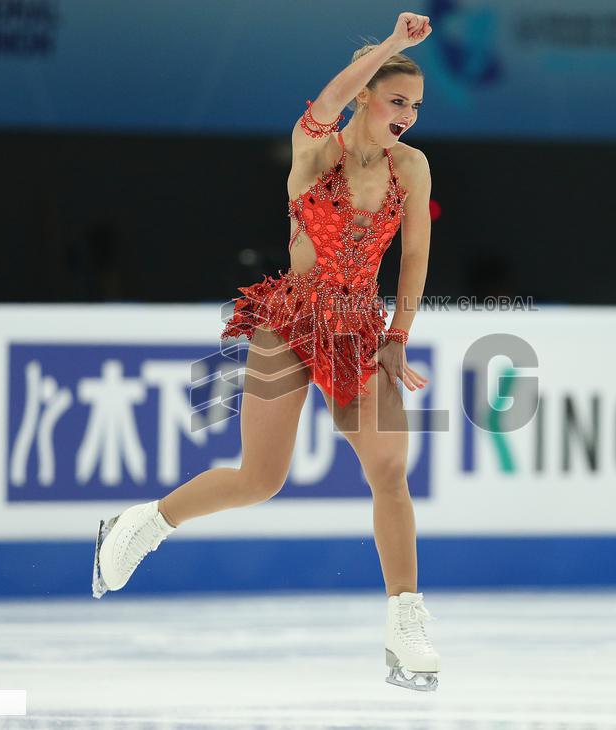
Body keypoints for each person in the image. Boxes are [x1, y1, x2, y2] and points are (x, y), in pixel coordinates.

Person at [91, 12, 440, 692]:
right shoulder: (316, 151)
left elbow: (416, 258)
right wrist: (393, 46)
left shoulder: (413, 168)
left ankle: (404, 624)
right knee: (260, 478)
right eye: (397, 100)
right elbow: (327, 104)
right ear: (368, 94)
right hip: (292, 318)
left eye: (417, 106)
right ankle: (141, 525)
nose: (408, 116)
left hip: (357, 332)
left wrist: (397, 337)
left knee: (390, 468)